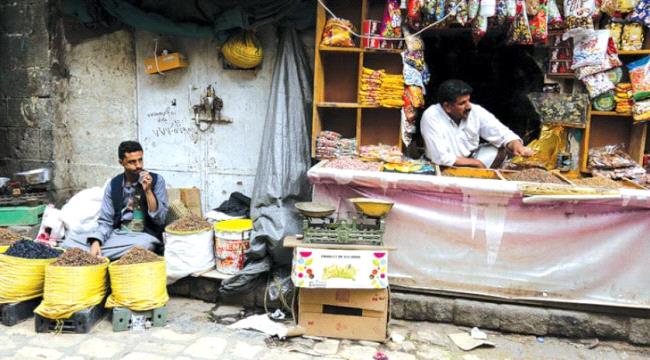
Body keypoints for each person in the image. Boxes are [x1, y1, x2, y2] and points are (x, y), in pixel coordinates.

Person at [62, 141, 168, 260]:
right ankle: (99, 252)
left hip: (143, 235)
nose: (138, 165)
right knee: (69, 242)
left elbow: (160, 219)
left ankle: (96, 254)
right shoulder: (113, 185)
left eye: (140, 160)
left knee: (142, 246)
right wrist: (96, 240)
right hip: (118, 235)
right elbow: (106, 221)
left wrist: (148, 191)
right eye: (132, 162)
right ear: (121, 162)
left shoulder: (156, 181)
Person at [421, 79, 534, 168]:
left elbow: (502, 133)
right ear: (447, 107)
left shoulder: (475, 111)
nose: (468, 106)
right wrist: (476, 164)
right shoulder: (431, 116)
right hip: (442, 166)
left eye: (468, 100)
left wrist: (516, 145)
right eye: (462, 103)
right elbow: (441, 158)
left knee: (500, 149)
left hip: (470, 160)